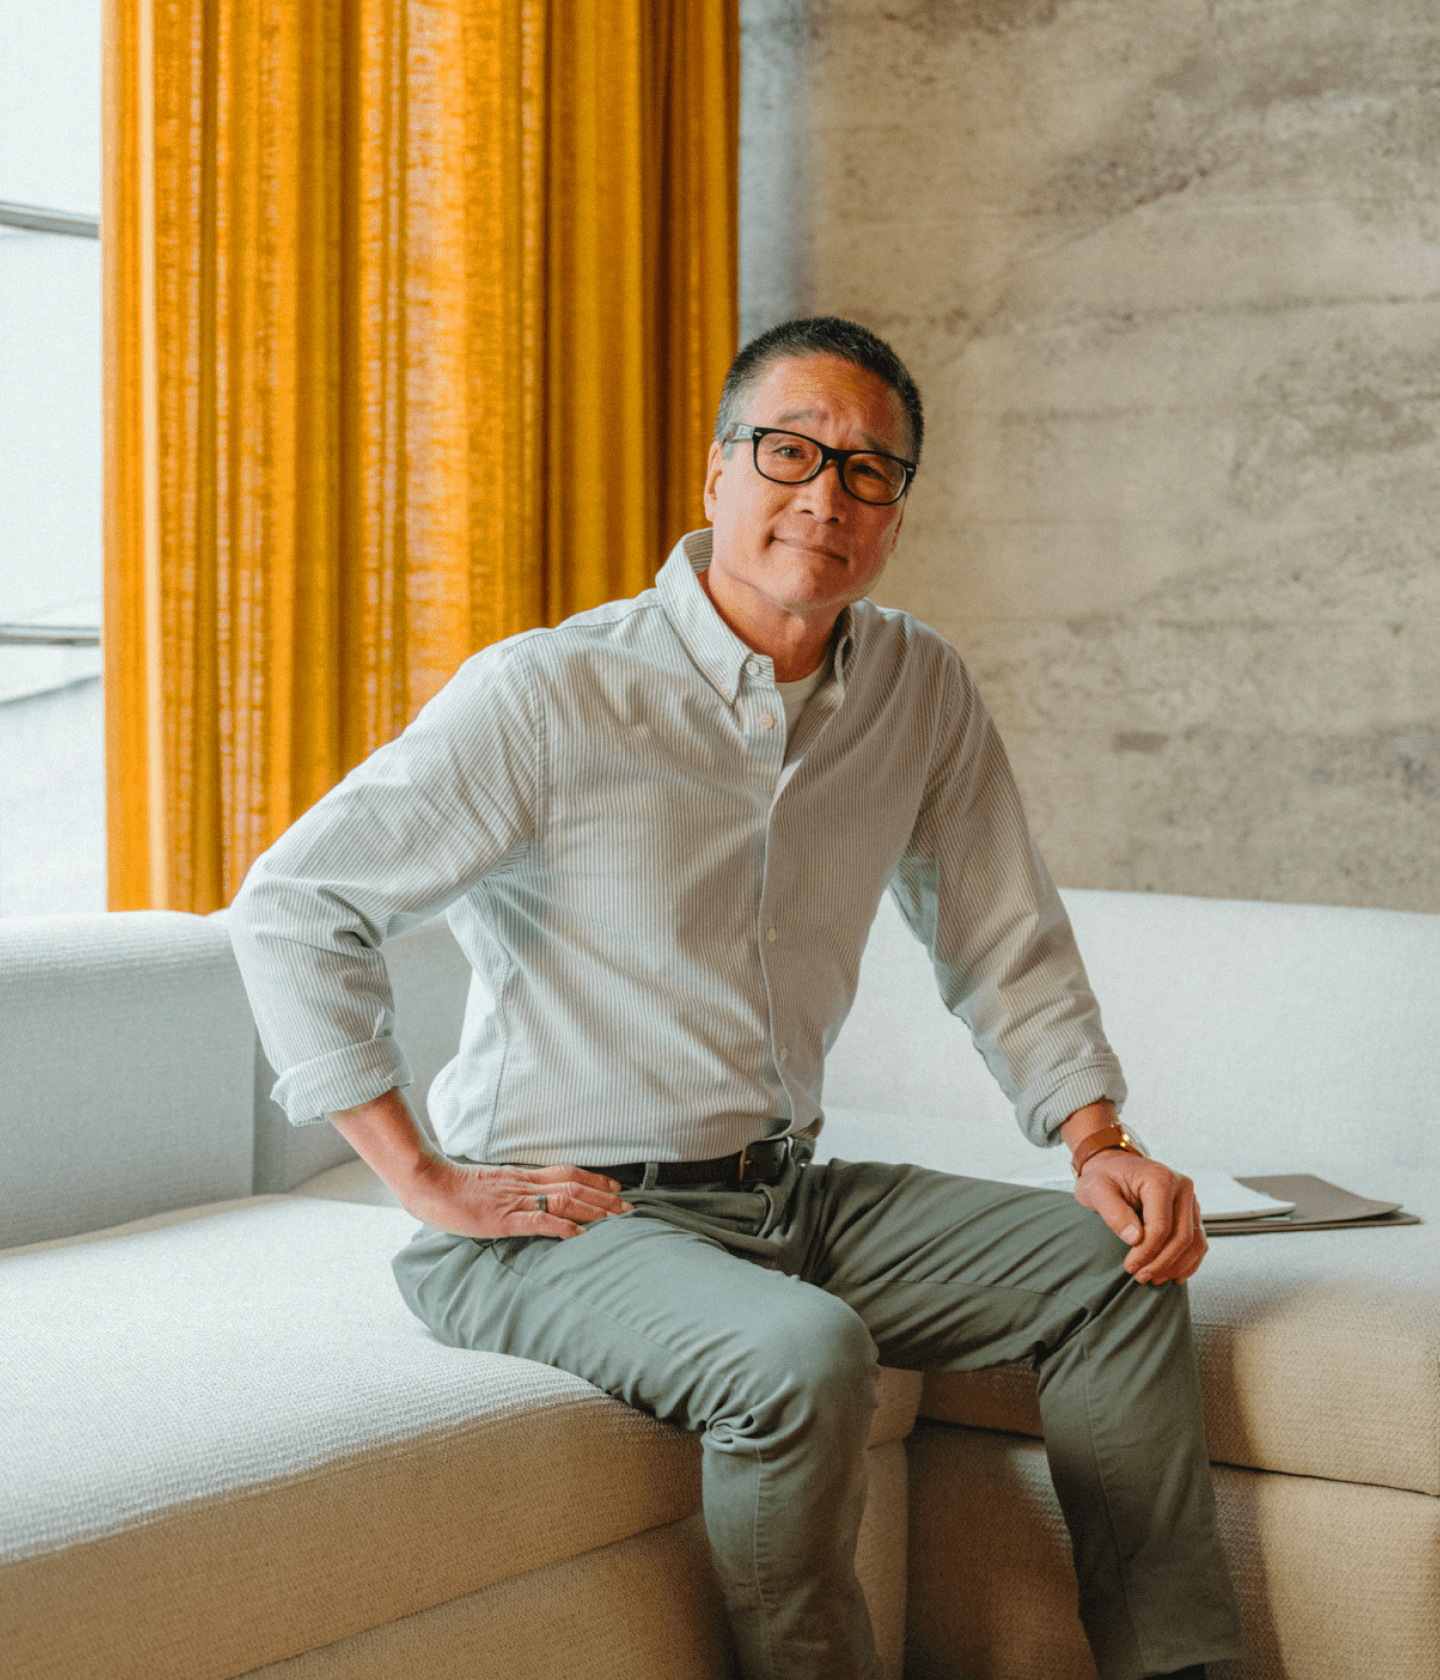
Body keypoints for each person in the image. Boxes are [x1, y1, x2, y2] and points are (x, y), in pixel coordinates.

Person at [230, 316, 1243, 1680]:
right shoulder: (550, 693)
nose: (824, 494)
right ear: (715, 478)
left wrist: (1097, 1140)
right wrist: (422, 1178)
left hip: (782, 1196)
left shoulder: (918, 686)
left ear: (893, 519)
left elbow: (1000, 933)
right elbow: (296, 905)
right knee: (804, 1354)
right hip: (558, 1220)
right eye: (788, 451)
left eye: (869, 471)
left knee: (1110, 1272)